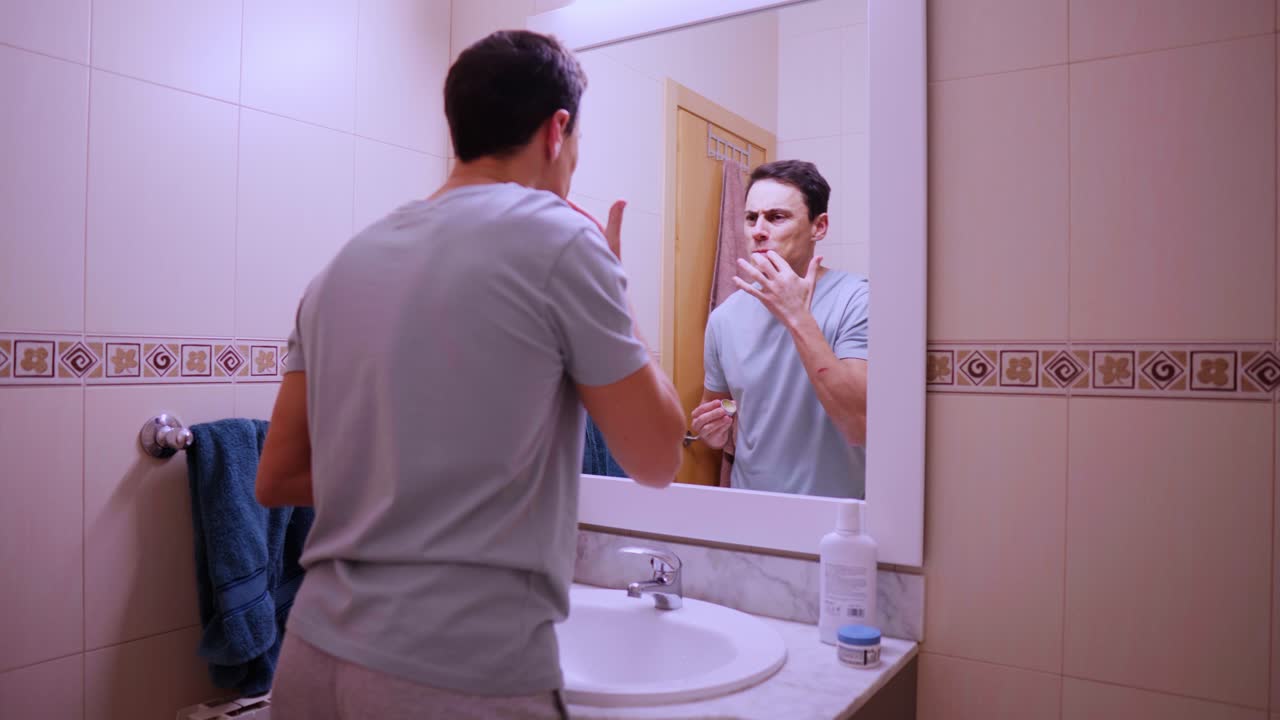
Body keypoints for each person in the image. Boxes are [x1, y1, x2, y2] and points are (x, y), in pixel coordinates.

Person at [254, 30, 686, 719]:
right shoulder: (563, 238)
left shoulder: (342, 265)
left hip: (310, 660)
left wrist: (411, 484)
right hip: (456, 674)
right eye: (576, 144)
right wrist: (617, 285)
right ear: (558, 129)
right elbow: (659, 459)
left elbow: (276, 476)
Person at [689, 160, 869, 498]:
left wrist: (796, 315)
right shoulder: (724, 318)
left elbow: (859, 423)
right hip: (753, 510)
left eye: (776, 217)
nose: (758, 230)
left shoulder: (857, 300)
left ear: (819, 226)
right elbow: (718, 412)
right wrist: (715, 434)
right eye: (751, 217)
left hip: (838, 517)